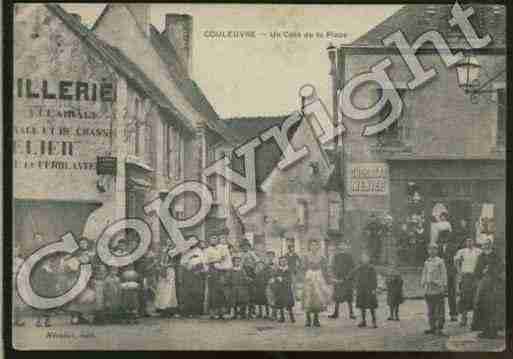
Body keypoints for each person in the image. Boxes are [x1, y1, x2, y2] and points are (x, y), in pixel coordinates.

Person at [471, 239, 504, 338]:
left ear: (491, 245)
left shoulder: (496, 256)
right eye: (484, 244)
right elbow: (476, 270)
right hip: (483, 284)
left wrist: (491, 270)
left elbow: (501, 268)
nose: (486, 246)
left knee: (493, 306)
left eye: (487, 244)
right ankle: (484, 330)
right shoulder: (480, 256)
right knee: (482, 305)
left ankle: (493, 331)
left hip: (494, 284)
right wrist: (481, 272)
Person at [64, 237, 97, 325]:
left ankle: (84, 316)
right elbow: (69, 266)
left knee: (87, 296)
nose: (83, 245)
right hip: (77, 277)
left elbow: (94, 266)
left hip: (88, 277)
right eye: (81, 243)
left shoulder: (91, 254)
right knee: (76, 296)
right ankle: (75, 316)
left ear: (87, 244)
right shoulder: (75, 254)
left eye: (84, 243)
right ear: (79, 245)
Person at [302, 240, 332, 327]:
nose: (314, 247)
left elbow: (325, 268)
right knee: (308, 297)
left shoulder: (321, 257)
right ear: (309, 247)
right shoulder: (306, 256)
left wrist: (327, 279)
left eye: (315, 245)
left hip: (318, 277)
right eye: (312, 245)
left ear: (318, 247)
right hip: (309, 276)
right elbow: (303, 267)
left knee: (317, 298)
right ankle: (308, 319)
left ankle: (316, 318)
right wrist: (306, 274)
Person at [453, 238, 481, 327]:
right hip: (465, 276)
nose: (469, 243)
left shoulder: (478, 251)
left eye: (471, 241)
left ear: (474, 242)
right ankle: (463, 319)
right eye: (467, 241)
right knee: (464, 297)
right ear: (465, 242)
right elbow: (456, 261)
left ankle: (475, 320)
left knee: (476, 298)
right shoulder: (462, 251)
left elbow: (482, 262)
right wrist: (459, 272)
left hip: (475, 276)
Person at [421, 243, 447, 336]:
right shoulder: (426, 262)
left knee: (439, 309)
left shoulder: (440, 261)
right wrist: (423, 283)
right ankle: (432, 327)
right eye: (430, 249)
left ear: (437, 251)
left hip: (437, 288)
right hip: (429, 288)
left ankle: (439, 328)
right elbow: (424, 273)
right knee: (430, 309)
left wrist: (443, 285)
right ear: (428, 251)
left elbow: (443, 274)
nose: (432, 251)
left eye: (434, 249)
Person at [205, 236, 232, 319]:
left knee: (222, 292)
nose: (214, 240)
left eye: (215, 239)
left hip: (221, 272)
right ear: (210, 241)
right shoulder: (208, 250)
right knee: (212, 293)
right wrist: (216, 260)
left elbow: (226, 259)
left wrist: (222, 263)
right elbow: (206, 261)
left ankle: (222, 312)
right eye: (212, 239)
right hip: (212, 272)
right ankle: (212, 313)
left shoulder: (221, 248)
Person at [180, 238, 207, 317]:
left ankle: (197, 311)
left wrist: (199, 269)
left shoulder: (199, 251)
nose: (192, 244)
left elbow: (204, 262)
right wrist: (189, 262)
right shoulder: (185, 251)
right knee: (187, 292)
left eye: (194, 242)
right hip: (188, 273)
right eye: (190, 242)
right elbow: (182, 262)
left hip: (197, 273)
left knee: (197, 292)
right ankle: (187, 311)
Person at [329, 241, 356, 320]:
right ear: (340, 247)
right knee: (337, 297)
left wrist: (348, 277)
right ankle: (336, 312)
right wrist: (335, 277)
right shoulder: (336, 256)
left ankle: (351, 313)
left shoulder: (349, 256)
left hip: (347, 280)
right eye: (341, 246)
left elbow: (352, 268)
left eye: (344, 246)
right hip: (338, 279)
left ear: (346, 247)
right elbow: (333, 267)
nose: (343, 247)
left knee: (349, 297)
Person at [438, 221, 459, 322]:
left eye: (445, 237)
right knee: (439, 294)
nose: (443, 240)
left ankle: (453, 314)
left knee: (451, 294)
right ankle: (440, 315)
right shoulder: (438, 248)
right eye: (442, 237)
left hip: (450, 273)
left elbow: (454, 259)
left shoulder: (453, 247)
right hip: (441, 273)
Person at [354, 253, 378, 328]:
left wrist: (374, 289)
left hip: (369, 289)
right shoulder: (359, 268)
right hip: (361, 289)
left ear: (368, 259)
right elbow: (351, 274)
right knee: (362, 306)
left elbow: (374, 279)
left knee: (371, 306)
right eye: (363, 258)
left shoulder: (371, 268)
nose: (364, 259)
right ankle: (363, 321)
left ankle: (374, 322)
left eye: (366, 258)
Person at [154, 245, 179, 317]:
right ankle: (161, 307)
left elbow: (175, 262)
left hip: (170, 270)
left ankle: (169, 308)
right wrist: (162, 265)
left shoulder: (174, 251)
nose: (169, 244)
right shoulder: (163, 251)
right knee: (162, 288)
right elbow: (160, 261)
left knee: (170, 289)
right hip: (163, 270)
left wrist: (167, 265)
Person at [239, 240, 259, 316]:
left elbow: (257, 261)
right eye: (243, 247)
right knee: (243, 292)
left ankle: (251, 310)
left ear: (249, 247)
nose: (245, 248)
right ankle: (242, 310)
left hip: (250, 272)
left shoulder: (251, 253)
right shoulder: (240, 254)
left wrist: (254, 268)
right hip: (242, 273)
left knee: (251, 292)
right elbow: (239, 264)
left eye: (246, 246)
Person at [273, 256, 295, 323]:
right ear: (280, 262)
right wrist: (276, 279)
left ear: (287, 262)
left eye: (284, 261)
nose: (283, 262)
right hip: (280, 289)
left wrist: (282, 279)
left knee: (289, 304)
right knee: (280, 304)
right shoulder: (278, 270)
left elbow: (290, 279)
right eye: (281, 261)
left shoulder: (288, 270)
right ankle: (282, 317)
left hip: (287, 289)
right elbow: (275, 277)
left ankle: (292, 317)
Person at [13, 244, 26, 326]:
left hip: (19, 281)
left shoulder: (21, 260)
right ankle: (12, 319)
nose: (16, 251)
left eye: (17, 250)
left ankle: (19, 319)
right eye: (14, 249)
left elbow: (24, 272)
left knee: (19, 302)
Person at [265, 251, 278, 320]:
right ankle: (271, 314)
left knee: (274, 298)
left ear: (273, 256)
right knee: (269, 297)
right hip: (268, 283)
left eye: (271, 256)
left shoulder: (276, 265)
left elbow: (277, 273)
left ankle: (274, 314)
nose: (270, 257)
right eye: (268, 256)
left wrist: (274, 279)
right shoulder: (267, 264)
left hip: (274, 283)